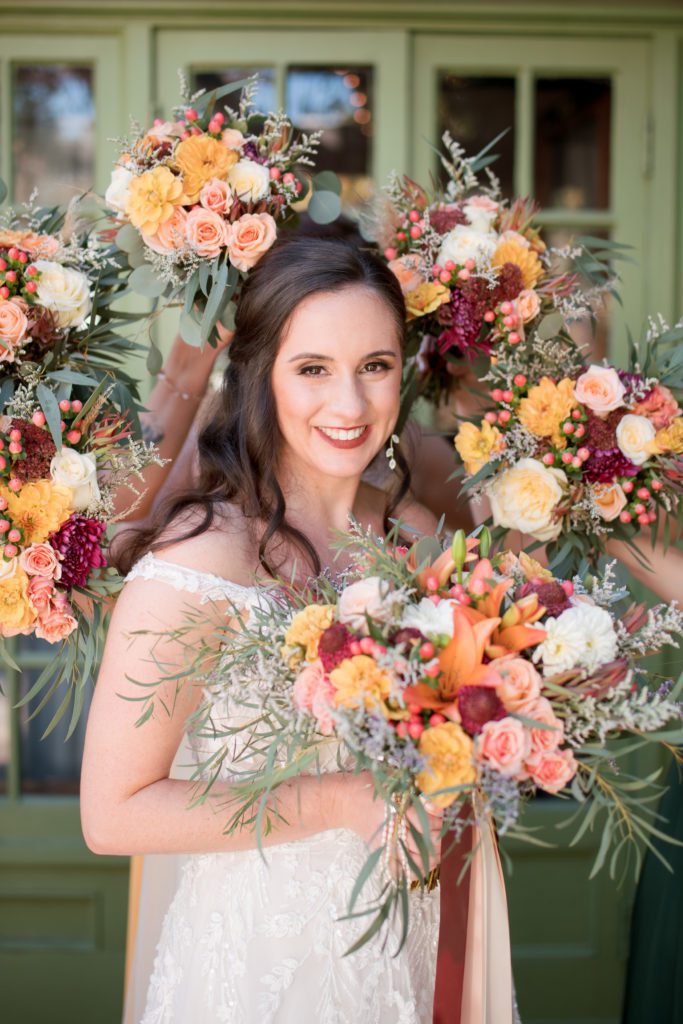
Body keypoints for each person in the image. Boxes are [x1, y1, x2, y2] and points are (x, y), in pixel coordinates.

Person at [81, 238, 515, 1023]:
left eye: (374, 366)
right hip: (262, 969)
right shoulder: (202, 562)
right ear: (259, 377)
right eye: (312, 368)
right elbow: (111, 815)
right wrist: (336, 801)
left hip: (411, 954)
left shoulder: (417, 544)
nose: (349, 406)